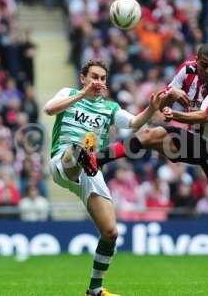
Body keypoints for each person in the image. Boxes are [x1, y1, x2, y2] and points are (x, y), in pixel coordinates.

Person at [86, 44, 208, 295]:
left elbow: (201, 116)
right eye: (204, 65)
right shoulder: (186, 71)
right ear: (196, 60)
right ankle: (97, 159)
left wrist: (173, 114)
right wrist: (170, 94)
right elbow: (162, 97)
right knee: (149, 135)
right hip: (191, 140)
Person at [44, 59, 163, 296]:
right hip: (62, 161)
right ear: (83, 78)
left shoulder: (109, 108)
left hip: (91, 169)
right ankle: (79, 156)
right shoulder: (68, 93)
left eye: (101, 78)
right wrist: (81, 95)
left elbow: (134, 123)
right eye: (94, 77)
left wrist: (152, 108)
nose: (98, 82)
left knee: (111, 232)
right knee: (76, 149)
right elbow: (49, 109)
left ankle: (95, 289)